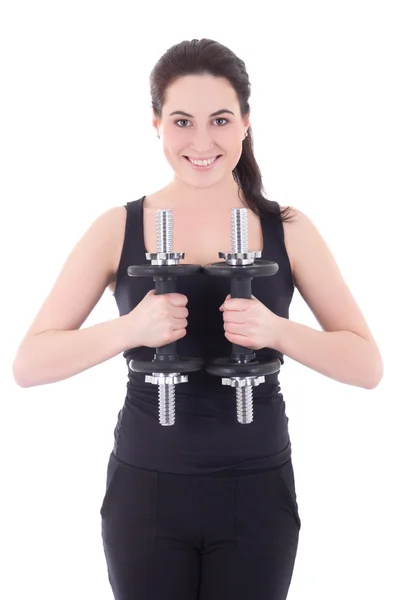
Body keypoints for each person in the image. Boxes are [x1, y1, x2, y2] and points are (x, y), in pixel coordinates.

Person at [12, 38, 383, 600]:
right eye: (182, 121)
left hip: (256, 493)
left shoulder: (288, 228)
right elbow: (29, 364)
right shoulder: (118, 227)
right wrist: (131, 330)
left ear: (246, 124)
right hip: (147, 493)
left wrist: (277, 331)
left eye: (221, 120)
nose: (202, 141)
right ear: (156, 124)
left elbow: (367, 365)